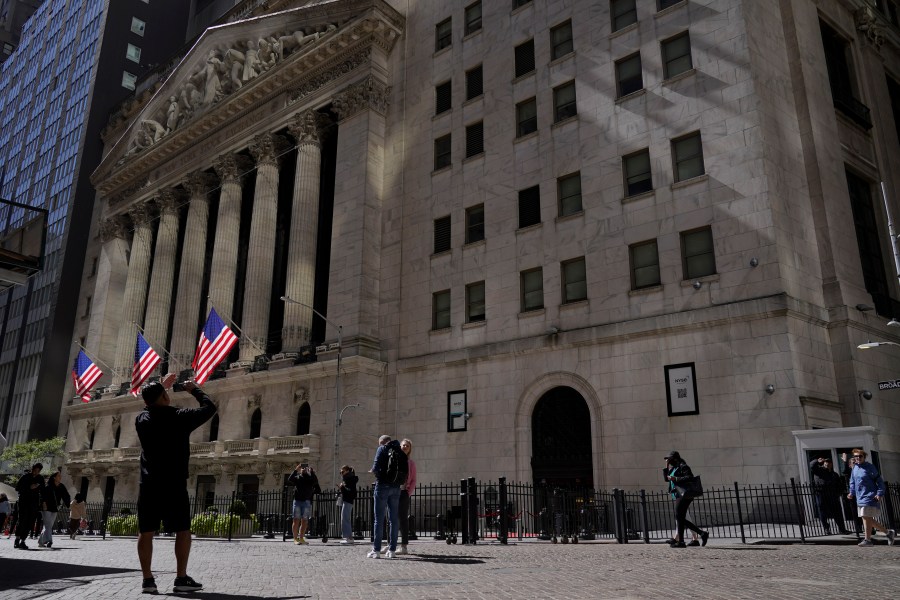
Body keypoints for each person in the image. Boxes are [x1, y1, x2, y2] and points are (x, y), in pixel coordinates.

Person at [135, 373, 216, 594]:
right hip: (173, 483)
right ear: (165, 397)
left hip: (149, 483)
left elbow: (148, 405)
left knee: (146, 531)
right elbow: (209, 408)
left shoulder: (141, 419)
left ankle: (148, 581)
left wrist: (162, 387)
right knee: (182, 530)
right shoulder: (179, 417)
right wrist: (194, 389)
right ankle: (181, 578)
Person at [847, 448, 896, 546]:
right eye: (856, 456)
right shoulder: (855, 468)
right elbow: (852, 482)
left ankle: (868, 540)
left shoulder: (870, 467)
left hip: (869, 496)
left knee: (866, 518)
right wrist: (851, 492)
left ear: (864, 457)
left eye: (860, 456)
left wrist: (879, 493)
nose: (858, 458)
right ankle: (888, 533)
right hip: (860, 497)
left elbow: (879, 481)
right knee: (867, 518)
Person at [664, 451, 709, 548]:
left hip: (684, 495)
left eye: (669, 459)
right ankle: (699, 534)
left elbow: (689, 477)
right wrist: (666, 466)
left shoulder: (683, 466)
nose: (669, 461)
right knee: (680, 518)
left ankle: (682, 541)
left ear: (675, 458)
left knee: (679, 517)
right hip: (678, 495)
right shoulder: (674, 467)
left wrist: (675, 479)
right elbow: (667, 479)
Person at [368, 435, 402, 558]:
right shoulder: (399, 450)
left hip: (382, 486)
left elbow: (376, 467)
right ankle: (392, 550)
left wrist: (375, 473)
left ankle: (376, 550)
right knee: (393, 519)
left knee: (379, 519)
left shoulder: (382, 449)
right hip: (396, 487)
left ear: (382, 442)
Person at [809, 457, 849, 535]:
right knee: (823, 512)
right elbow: (812, 466)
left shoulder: (834, 474)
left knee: (837, 512)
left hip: (832, 495)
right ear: (823, 463)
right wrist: (817, 461)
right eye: (826, 462)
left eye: (829, 462)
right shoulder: (819, 471)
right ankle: (826, 529)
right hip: (821, 494)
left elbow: (839, 485)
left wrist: (838, 493)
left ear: (831, 464)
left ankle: (842, 529)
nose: (827, 463)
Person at [287, 463, 320, 545]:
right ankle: (295, 538)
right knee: (296, 520)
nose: (304, 469)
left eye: (306, 468)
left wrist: (312, 472)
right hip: (297, 501)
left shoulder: (310, 478)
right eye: (303, 468)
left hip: (306, 501)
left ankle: (301, 538)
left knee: (305, 521)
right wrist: (296, 470)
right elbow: (290, 479)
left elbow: (315, 482)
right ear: (300, 470)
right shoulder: (298, 477)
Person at [14, 463, 44, 549]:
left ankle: (23, 540)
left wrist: (42, 502)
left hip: (34, 503)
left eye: (38, 471)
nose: (36, 472)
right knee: (22, 520)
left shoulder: (40, 478)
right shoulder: (25, 477)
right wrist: (29, 487)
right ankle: (17, 539)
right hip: (24, 501)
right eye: (35, 470)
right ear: (33, 469)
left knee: (30, 521)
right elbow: (17, 488)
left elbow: (43, 491)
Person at [38, 471, 70, 548]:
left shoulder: (61, 486)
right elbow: (42, 495)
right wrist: (43, 503)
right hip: (46, 507)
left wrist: (67, 504)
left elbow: (66, 495)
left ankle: (41, 541)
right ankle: (49, 541)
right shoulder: (48, 486)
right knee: (48, 525)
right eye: (59, 476)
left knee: (49, 525)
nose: (60, 477)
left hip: (55, 507)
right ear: (54, 477)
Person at [397, 438, 417, 555]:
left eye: (407, 446)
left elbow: (414, 480)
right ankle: (391, 544)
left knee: (403, 519)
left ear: (409, 449)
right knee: (391, 519)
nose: (405, 447)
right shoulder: (395, 460)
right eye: (403, 445)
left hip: (403, 492)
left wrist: (408, 492)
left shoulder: (411, 463)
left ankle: (404, 546)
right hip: (393, 492)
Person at [338, 465, 358, 544]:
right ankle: (348, 536)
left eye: (342, 472)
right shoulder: (349, 479)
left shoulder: (349, 479)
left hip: (348, 500)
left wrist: (342, 487)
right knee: (345, 518)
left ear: (347, 471)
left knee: (345, 518)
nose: (341, 474)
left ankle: (348, 537)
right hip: (347, 500)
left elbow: (350, 491)